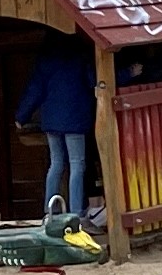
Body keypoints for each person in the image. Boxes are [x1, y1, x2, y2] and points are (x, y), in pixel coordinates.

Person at [14, 34, 99, 236]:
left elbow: (35, 90)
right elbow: (94, 82)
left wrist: (21, 116)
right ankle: (77, 213)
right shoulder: (81, 57)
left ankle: (49, 211)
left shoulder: (46, 60)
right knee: (77, 164)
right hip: (75, 119)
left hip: (51, 119)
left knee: (56, 163)